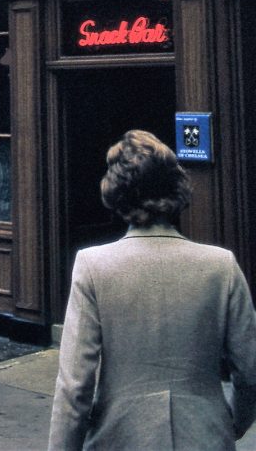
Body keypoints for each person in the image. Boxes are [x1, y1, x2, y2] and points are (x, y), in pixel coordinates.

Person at [48, 129, 256, 451]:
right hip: (206, 437)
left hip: (119, 438)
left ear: (116, 194)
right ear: (176, 190)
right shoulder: (221, 266)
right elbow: (250, 371)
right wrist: (233, 424)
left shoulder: (93, 266)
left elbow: (74, 387)